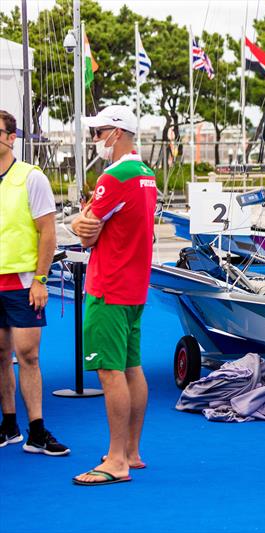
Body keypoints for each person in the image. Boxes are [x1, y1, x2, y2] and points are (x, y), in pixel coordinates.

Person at [70, 105, 157, 485]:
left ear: (116, 133)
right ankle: (131, 452)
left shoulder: (115, 176)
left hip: (109, 285)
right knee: (131, 367)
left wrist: (78, 221)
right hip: (135, 284)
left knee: (110, 371)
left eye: (99, 132)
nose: (95, 140)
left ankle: (117, 460)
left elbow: (87, 229)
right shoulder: (146, 174)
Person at [0, 110, 69, 455]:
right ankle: (8, 425)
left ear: (12, 138)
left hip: (23, 281)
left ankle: (37, 430)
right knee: (0, 355)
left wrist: (40, 279)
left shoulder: (31, 177)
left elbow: (48, 233)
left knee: (27, 355)